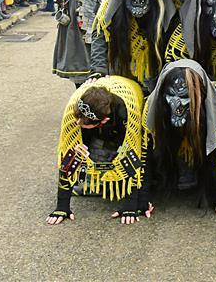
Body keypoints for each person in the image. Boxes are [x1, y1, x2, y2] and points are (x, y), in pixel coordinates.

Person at [47, 77, 149, 226]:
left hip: (129, 97)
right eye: (78, 118)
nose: (78, 123)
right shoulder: (74, 110)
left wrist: (133, 205)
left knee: (122, 160)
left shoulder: (125, 113)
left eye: (84, 123)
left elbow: (135, 157)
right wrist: (62, 207)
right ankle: (95, 181)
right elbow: (68, 156)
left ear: (104, 121)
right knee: (85, 154)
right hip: (98, 109)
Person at [140, 60, 216, 214]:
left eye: (184, 97)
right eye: (171, 96)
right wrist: (140, 201)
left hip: (198, 133)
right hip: (168, 135)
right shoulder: (153, 105)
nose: (177, 105)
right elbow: (144, 152)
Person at [89, 0, 174, 94]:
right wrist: (99, 72)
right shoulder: (111, 8)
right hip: (121, 75)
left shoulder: (166, 14)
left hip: (155, 79)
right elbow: (100, 36)